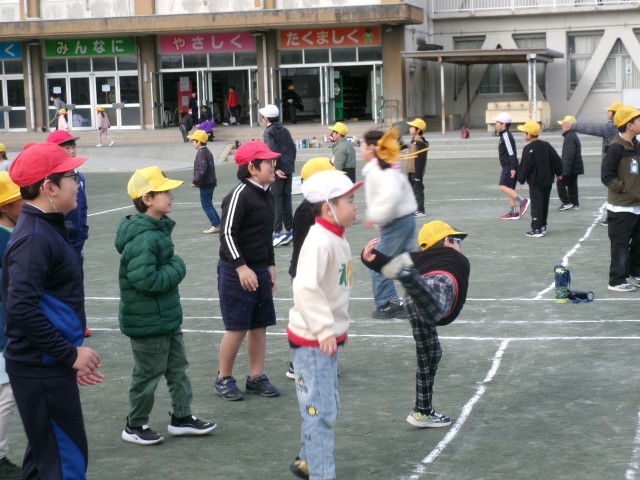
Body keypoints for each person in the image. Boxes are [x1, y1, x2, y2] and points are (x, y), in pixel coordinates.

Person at [3, 142, 103, 479]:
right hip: (40, 368)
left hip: (45, 365)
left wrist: (66, 357)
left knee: (46, 460)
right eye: (71, 177)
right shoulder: (35, 237)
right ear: (49, 187)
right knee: (64, 465)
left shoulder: (44, 228)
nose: (77, 184)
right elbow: (21, 308)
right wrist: (68, 353)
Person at [115, 166, 217, 445]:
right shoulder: (145, 236)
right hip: (148, 320)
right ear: (147, 199)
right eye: (164, 191)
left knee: (177, 368)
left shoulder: (155, 230)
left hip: (164, 317)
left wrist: (172, 263)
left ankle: (182, 417)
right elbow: (146, 280)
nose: (171, 196)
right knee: (147, 374)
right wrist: (178, 264)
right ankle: (135, 424)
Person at [287, 169, 362, 480]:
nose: (356, 205)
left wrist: (335, 329)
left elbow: (334, 287)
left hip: (322, 339)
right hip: (312, 342)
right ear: (329, 208)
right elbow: (305, 287)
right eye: (350, 201)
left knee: (324, 405)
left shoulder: (336, 238)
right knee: (320, 411)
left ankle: (307, 460)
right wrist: (323, 329)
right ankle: (321, 473)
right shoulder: (320, 241)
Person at [361, 220, 470, 428]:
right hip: (437, 286)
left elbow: (388, 262)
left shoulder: (417, 257)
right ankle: (411, 279)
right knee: (435, 305)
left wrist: (369, 258)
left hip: (412, 300)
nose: (459, 245)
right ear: (447, 241)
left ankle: (422, 410)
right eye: (457, 240)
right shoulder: (456, 258)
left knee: (430, 353)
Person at [215, 141, 281, 401]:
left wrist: (270, 265)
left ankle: (256, 377)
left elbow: (266, 236)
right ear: (252, 168)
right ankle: (223, 377)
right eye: (268, 162)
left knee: (259, 325)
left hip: (259, 269)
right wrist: (241, 267)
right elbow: (227, 234)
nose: (273, 166)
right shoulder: (239, 195)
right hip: (236, 272)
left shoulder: (267, 193)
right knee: (237, 327)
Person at [286, 157, 337, 379]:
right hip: (308, 273)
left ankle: (321, 360)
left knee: (324, 317)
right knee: (308, 320)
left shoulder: (325, 206)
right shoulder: (307, 211)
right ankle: (298, 364)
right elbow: (304, 249)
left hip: (321, 272)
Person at [361, 128, 416, 319]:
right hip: (403, 220)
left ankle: (388, 303)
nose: (360, 149)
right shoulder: (386, 167)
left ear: (371, 149)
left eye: (362, 145)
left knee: (377, 262)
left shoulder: (379, 170)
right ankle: (420, 297)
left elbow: (391, 194)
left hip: (396, 223)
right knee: (406, 263)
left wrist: (375, 216)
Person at [46, 130, 92, 337]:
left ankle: (79, 324)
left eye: (73, 147)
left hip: (76, 240)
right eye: (67, 147)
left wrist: (83, 232)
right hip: (59, 239)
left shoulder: (79, 176)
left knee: (76, 283)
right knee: (58, 285)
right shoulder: (50, 180)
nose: (72, 151)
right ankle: (59, 325)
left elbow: (82, 206)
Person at [600, 105, 640, 292]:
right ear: (629, 125)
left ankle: (636, 273)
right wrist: (625, 189)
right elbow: (606, 176)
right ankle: (616, 280)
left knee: (638, 243)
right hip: (621, 208)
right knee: (621, 245)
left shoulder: (637, 145)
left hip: (637, 205)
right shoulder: (616, 148)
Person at [0, 172, 23, 480]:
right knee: (6, 395)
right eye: (19, 200)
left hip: (7, 326)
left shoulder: (12, 234)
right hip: (4, 329)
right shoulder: (6, 239)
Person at [573, 100, 622, 227]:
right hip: (622, 163)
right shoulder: (623, 126)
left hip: (611, 164)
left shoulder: (610, 127)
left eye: (609, 111)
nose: (607, 112)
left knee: (613, 192)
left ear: (613, 113)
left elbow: (591, 129)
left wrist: (572, 126)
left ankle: (612, 218)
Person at [516, 121, 563, 238]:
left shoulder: (528, 149)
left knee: (537, 204)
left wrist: (521, 179)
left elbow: (525, 166)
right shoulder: (547, 145)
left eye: (524, 133)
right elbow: (556, 160)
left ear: (529, 134)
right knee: (544, 203)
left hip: (535, 182)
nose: (523, 135)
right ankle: (542, 226)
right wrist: (559, 173)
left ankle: (537, 229)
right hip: (547, 180)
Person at [260, 104, 297, 247]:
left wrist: (274, 169)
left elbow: (271, 151)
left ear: (266, 119)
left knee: (276, 200)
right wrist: (288, 166)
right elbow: (292, 149)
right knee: (286, 199)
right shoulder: (285, 130)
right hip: (288, 168)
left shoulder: (268, 132)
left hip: (278, 170)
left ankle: (277, 232)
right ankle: (290, 229)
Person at [494, 112, 529, 220]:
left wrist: (513, 168)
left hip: (509, 166)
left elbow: (512, 153)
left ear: (503, 124)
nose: (496, 124)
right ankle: (513, 213)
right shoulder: (504, 135)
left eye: (497, 122)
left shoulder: (506, 136)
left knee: (503, 187)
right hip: (509, 165)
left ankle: (523, 202)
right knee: (510, 189)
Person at [187, 129, 221, 234]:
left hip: (206, 183)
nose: (193, 143)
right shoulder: (206, 151)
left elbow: (202, 169)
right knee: (209, 204)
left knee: (206, 205)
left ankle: (215, 225)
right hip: (210, 182)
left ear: (198, 142)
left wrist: (195, 181)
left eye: (194, 141)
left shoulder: (201, 153)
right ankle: (218, 224)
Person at [556, 115, 584, 211]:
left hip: (569, 167)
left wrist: (563, 172)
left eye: (564, 124)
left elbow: (568, 156)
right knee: (572, 185)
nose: (562, 126)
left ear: (569, 125)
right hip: (574, 167)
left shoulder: (569, 137)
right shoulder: (572, 135)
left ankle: (567, 202)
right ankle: (575, 203)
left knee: (560, 183)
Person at [406, 118, 429, 217]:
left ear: (418, 130)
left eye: (412, 127)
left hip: (416, 171)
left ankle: (421, 210)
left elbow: (421, 160)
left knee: (418, 191)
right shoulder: (413, 141)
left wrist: (418, 175)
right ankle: (414, 209)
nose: (410, 129)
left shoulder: (421, 143)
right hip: (411, 170)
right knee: (412, 191)